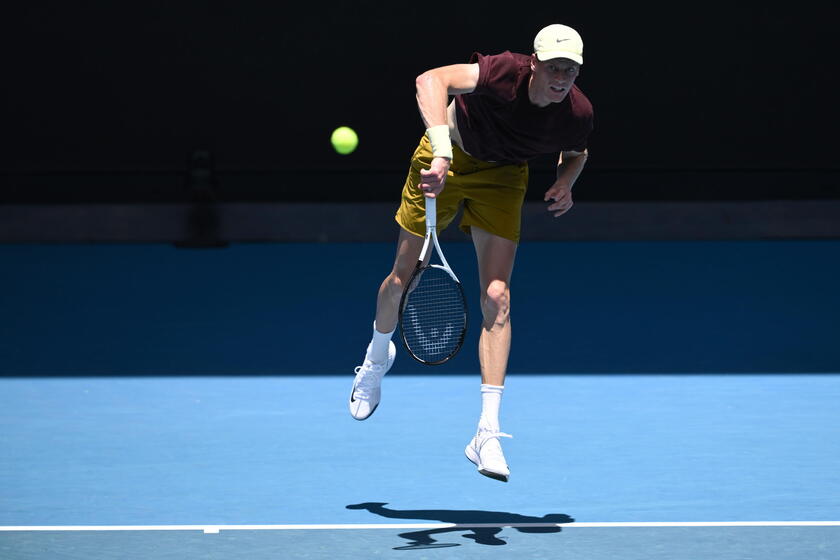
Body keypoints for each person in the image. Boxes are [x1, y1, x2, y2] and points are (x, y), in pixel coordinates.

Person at [349, 24, 594, 482]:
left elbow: (576, 152)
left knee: (498, 296)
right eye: (555, 67)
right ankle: (378, 355)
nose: (563, 77)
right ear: (535, 63)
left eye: (572, 69)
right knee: (402, 278)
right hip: (448, 157)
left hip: (503, 177)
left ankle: (486, 432)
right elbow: (429, 81)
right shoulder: (503, 72)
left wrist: (565, 181)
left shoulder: (577, 111)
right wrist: (440, 153)